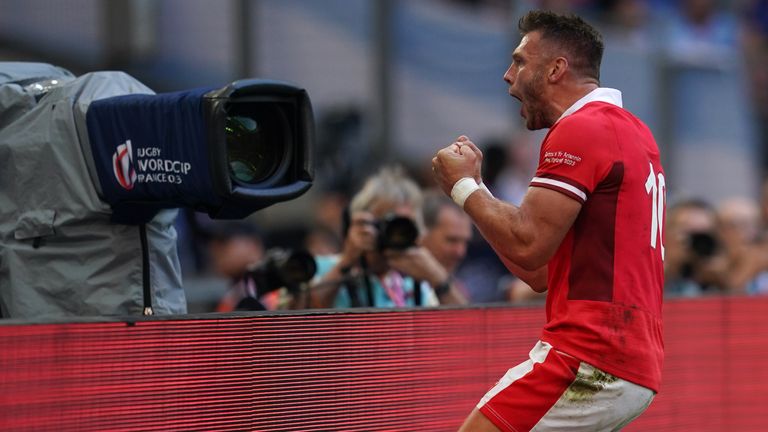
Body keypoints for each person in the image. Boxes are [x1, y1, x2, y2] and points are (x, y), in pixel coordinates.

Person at [432, 10, 664, 431]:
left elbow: (527, 244)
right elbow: (538, 270)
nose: (507, 75)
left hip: (590, 355)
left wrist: (462, 188)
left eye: (520, 61)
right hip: (630, 363)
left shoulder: (581, 128)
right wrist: (478, 188)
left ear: (556, 69)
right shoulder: (635, 132)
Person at [310, 166, 463, 308]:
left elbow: (465, 324)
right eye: (388, 223)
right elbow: (305, 317)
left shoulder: (411, 286)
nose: (395, 233)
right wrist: (347, 262)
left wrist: (437, 278)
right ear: (360, 222)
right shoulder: (321, 268)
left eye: (405, 225)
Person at [421, 191, 471, 304]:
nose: (460, 252)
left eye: (465, 242)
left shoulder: (458, 288)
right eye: (452, 240)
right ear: (422, 234)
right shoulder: (396, 283)